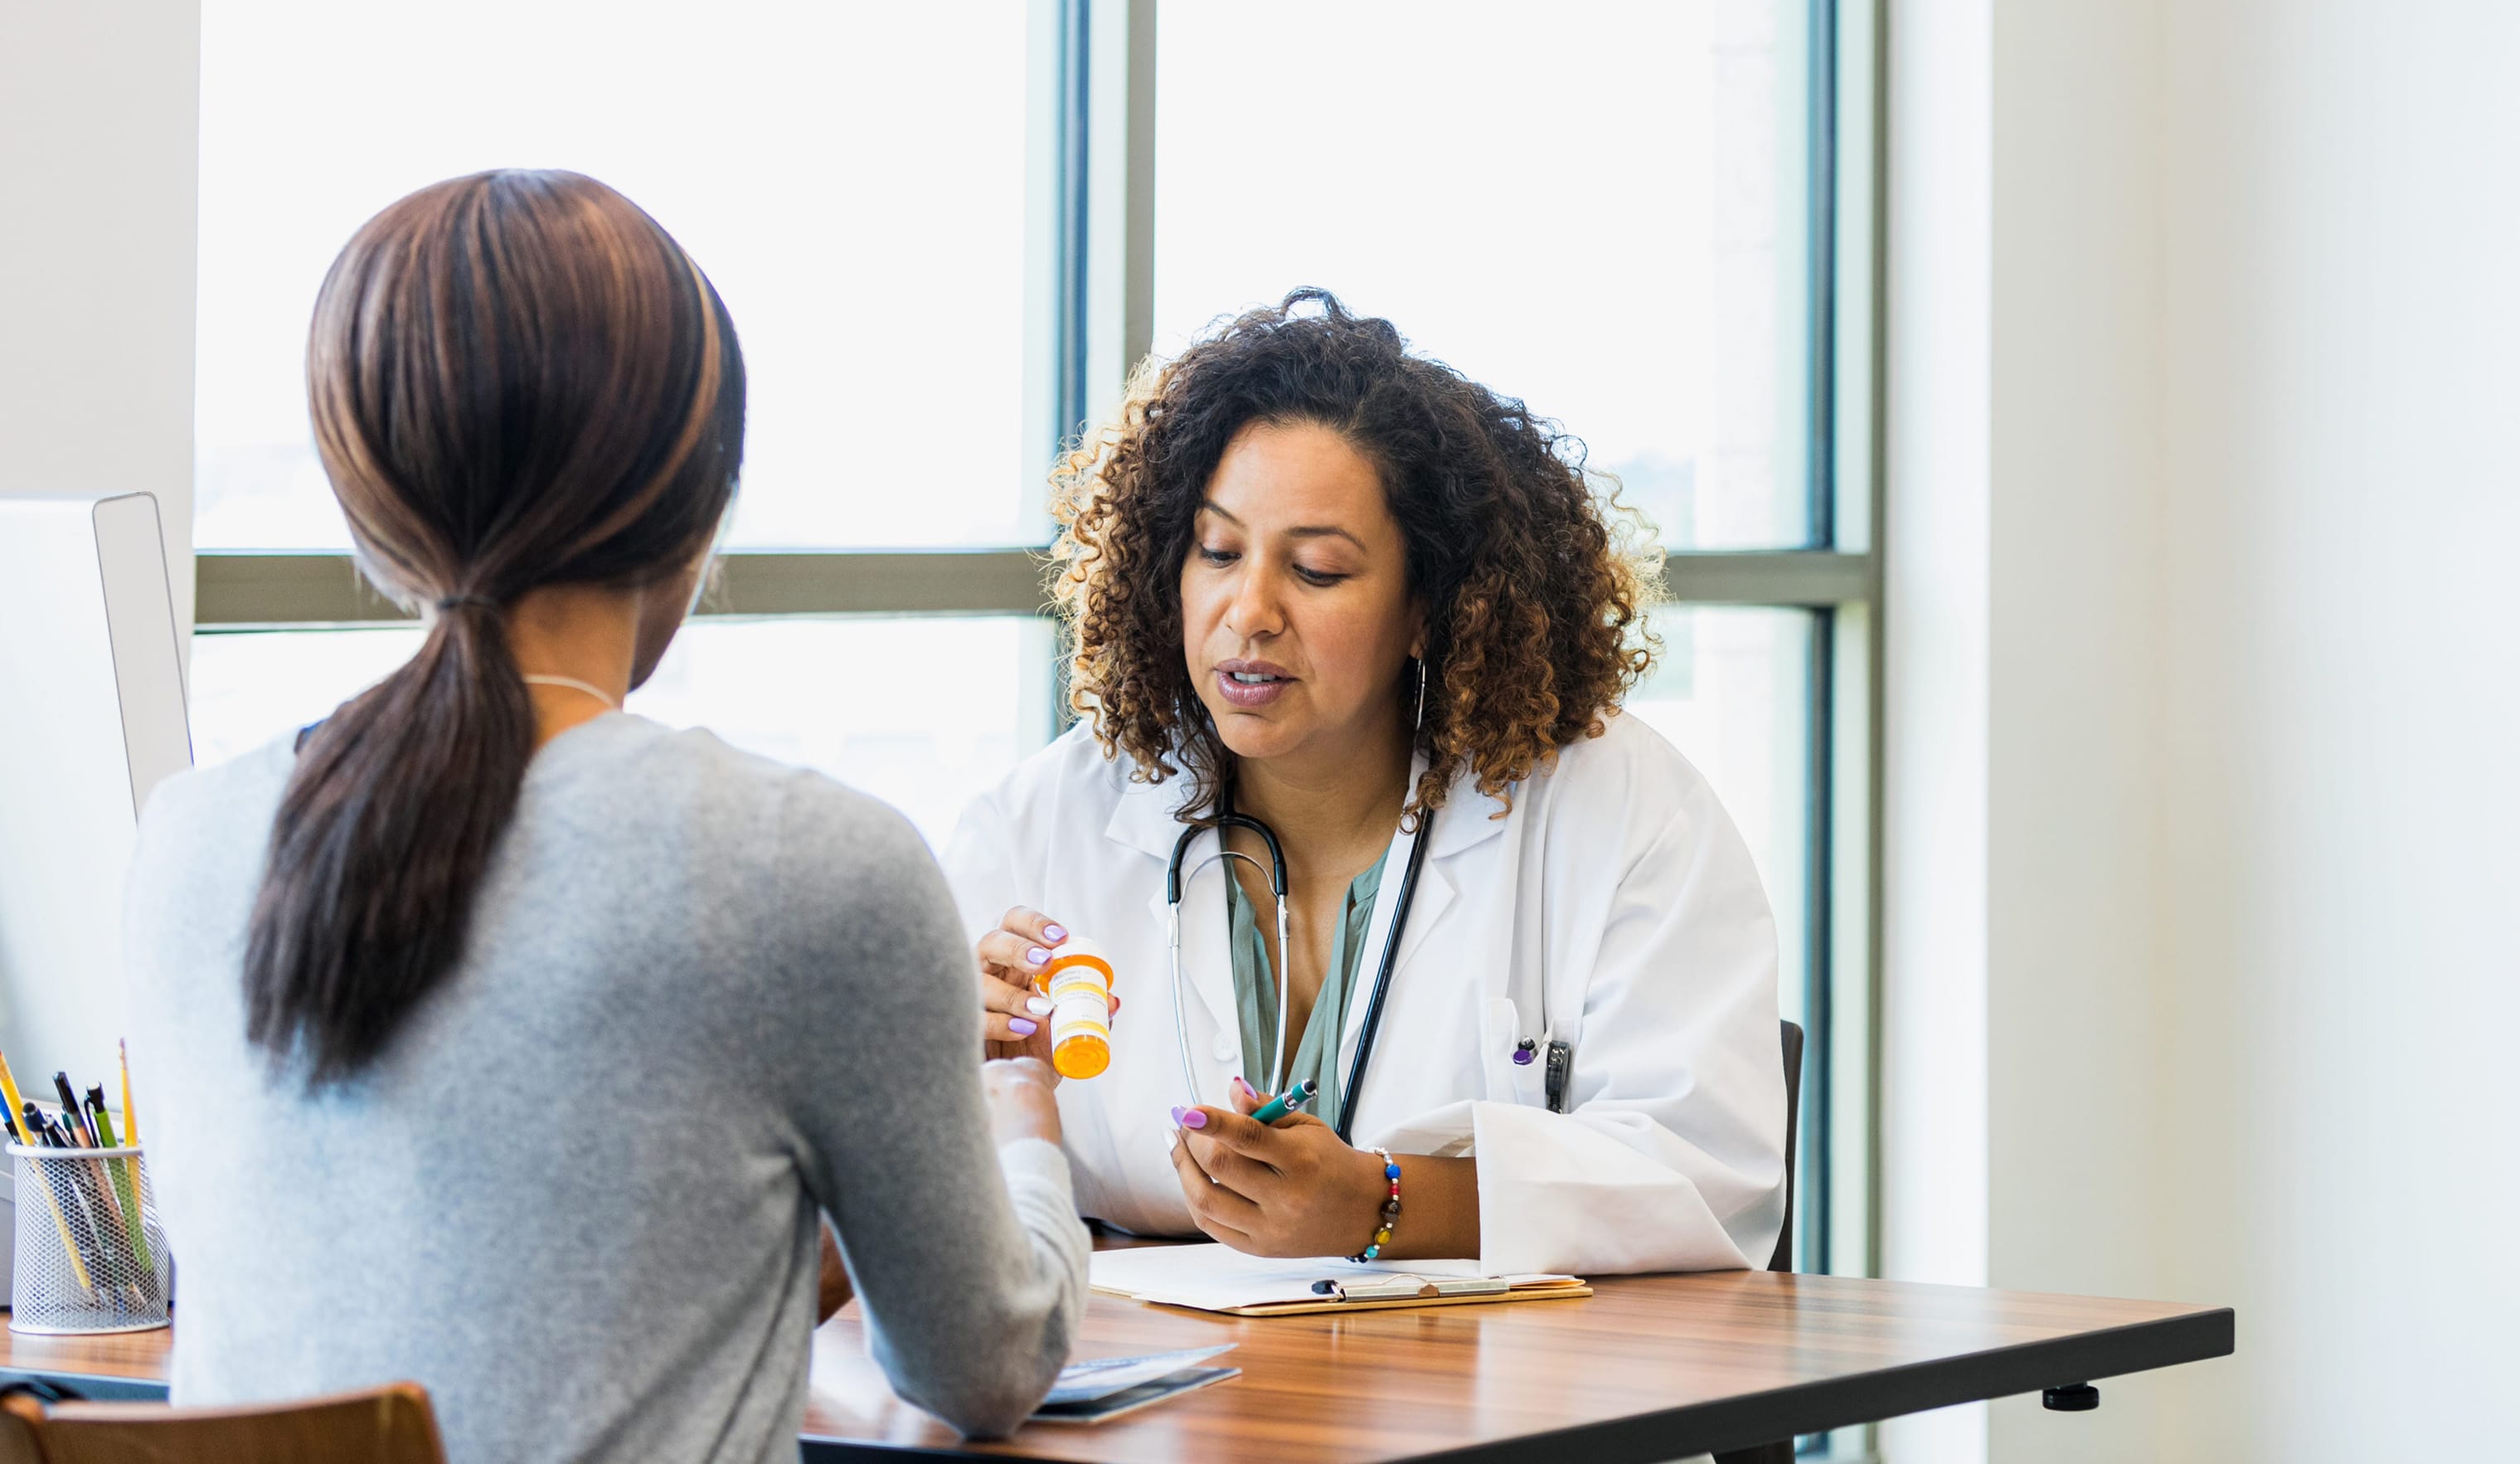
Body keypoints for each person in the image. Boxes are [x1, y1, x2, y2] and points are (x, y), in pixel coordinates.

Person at [125, 171, 1085, 1464]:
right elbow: (985, 1362)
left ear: (371, 513)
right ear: (694, 512)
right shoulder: (809, 867)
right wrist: (1022, 1131)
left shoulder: (188, 845)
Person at [941, 290, 1784, 1274]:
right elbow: (899, 1186)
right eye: (1216, 552)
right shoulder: (1044, 821)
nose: (1247, 611)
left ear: (1430, 605)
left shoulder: (1617, 807)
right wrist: (967, 1073)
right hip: (1164, 1401)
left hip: (1505, 1398)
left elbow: (1711, 1181)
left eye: (1318, 570)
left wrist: (1386, 1204)